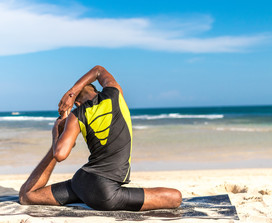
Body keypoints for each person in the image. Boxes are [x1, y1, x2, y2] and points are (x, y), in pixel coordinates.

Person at [19, 65, 182, 211]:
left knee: (28, 196)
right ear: (97, 91)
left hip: (81, 183)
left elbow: (60, 154)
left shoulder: (76, 115)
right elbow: (98, 70)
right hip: (107, 194)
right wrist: (72, 92)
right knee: (176, 197)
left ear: (76, 103)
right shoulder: (114, 93)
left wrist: (57, 133)